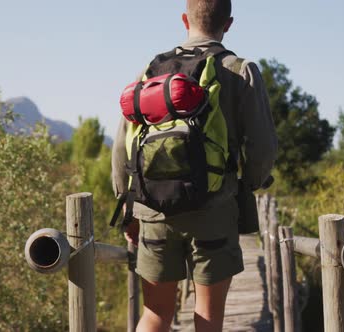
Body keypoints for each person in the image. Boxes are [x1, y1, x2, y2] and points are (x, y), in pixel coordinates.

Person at [111, 0, 277, 331]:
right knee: (208, 316)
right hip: (213, 209)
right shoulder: (240, 71)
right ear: (228, 24)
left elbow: (121, 145)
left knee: (155, 313)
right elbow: (262, 146)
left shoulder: (153, 68)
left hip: (153, 209)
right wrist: (250, 185)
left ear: (185, 19)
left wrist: (128, 209)